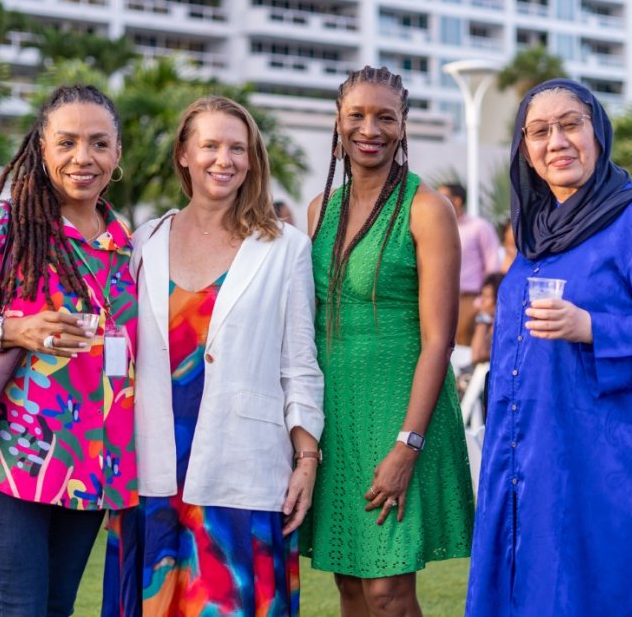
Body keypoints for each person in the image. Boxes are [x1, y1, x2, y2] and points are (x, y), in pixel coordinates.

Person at [465, 79, 632, 615]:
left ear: (597, 132)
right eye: (539, 131)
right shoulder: (535, 237)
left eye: (570, 124)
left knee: (614, 591)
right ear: (525, 150)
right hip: (538, 457)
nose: (556, 141)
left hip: (620, 468)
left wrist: (592, 328)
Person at [0, 84, 138, 616]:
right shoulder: (2, 224)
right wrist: (14, 330)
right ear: (41, 147)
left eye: (99, 143)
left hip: (94, 456)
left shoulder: (126, 245)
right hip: (11, 449)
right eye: (67, 142)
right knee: (20, 606)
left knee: (57, 607)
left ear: (117, 153)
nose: (83, 157)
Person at [102, 96, 323, 616]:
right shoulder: (142, 243)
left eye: (237, 149)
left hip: (243, 469)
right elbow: (116, 353)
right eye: (210, 146)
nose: (224, 160)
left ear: (252, 159)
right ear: (184, 154)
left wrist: (307, 459)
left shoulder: (286, 248)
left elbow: (299, 365)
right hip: (153, 472)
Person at [302, 66, 474, 616]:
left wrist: (408, 445)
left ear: (403, 126)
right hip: (336, 414)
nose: (369, 129)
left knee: (388, 592)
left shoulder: (427, 209)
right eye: (356, 115)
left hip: (401, 412)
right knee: (350, 582)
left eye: (385, 117)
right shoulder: (320, 209)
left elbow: (439, 341)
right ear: (338, 122)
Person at [437, 183, 499, 347]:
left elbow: (492, 266)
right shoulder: (435, 227)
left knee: (465, 351)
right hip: (438, 300)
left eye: (443, 196)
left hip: (469, 300)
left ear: (457, 200)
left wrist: (483, 301)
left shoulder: (479, 227)